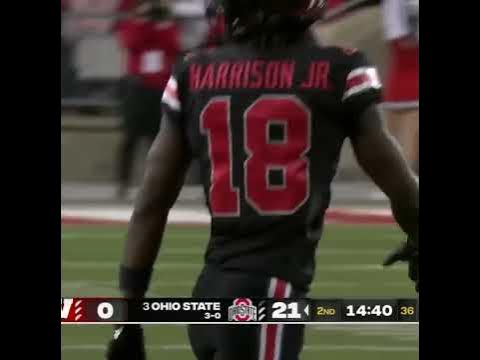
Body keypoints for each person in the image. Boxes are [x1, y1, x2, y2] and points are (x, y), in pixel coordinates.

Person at [106, 0, 419, 359]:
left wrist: (127, 318)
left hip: (210, 293)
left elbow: (151, 202)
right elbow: (399, 184)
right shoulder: (339, 69)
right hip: (268, 296)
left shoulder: (194, 72)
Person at [115, 0, 181, 198]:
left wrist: (162, 22)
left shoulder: (167, 26)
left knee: (156, 138)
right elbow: (132, 43)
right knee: (130, 137)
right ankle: (123, 182)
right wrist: (143, 20)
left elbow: (173, 46)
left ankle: (155, 183)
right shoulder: (132, 24)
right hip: (137, 86)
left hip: (159, 87)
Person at [382, 0, 419, 173]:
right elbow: (400, 42)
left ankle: (401, 172)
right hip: (406, 60)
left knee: (410, 118)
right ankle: (395, 172)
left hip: (407, 62)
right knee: (400, 119)